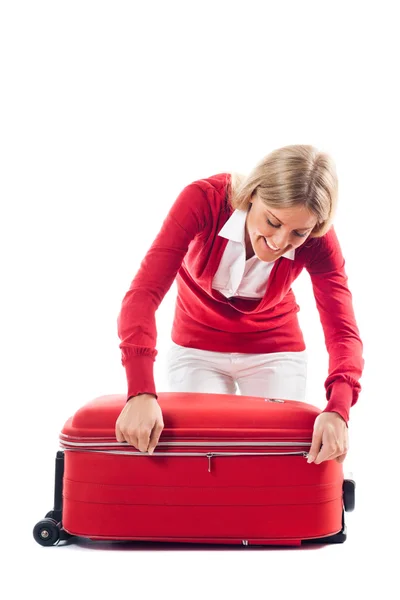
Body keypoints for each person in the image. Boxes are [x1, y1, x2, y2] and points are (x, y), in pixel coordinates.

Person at [115, 144, 364, 466]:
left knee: (273, 458)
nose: (279, 242)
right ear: (251, 195)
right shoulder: (204, 199)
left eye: (298, 233)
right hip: (196, 346)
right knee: (199, 456)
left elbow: (343, 332)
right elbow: (143, 294)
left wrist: (338, 409)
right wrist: (140, 391)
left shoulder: (319, 241)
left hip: (274, 349)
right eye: (273, 222)